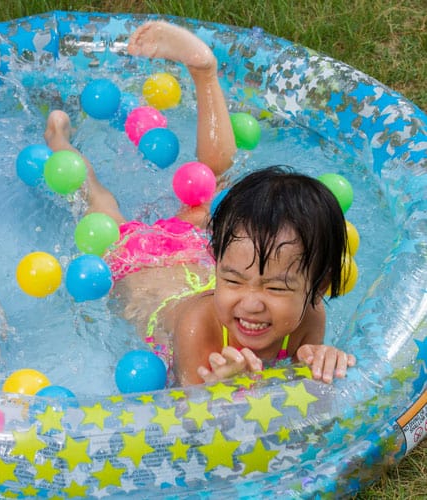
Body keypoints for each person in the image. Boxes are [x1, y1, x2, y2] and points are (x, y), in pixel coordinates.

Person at [43, 21, 355, 386]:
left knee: (209, 185)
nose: (251, 304)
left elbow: (301, 380)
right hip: (138, 265)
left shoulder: (311, 316)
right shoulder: (197, 328)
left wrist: (322, 359)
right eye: (233, 280)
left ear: (319, 285)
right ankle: (59, 139)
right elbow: (190, 419)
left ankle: (204, 72)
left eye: (275, 288)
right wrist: (224, 386)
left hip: (188, 262)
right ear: (218, 259)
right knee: (101, 201)